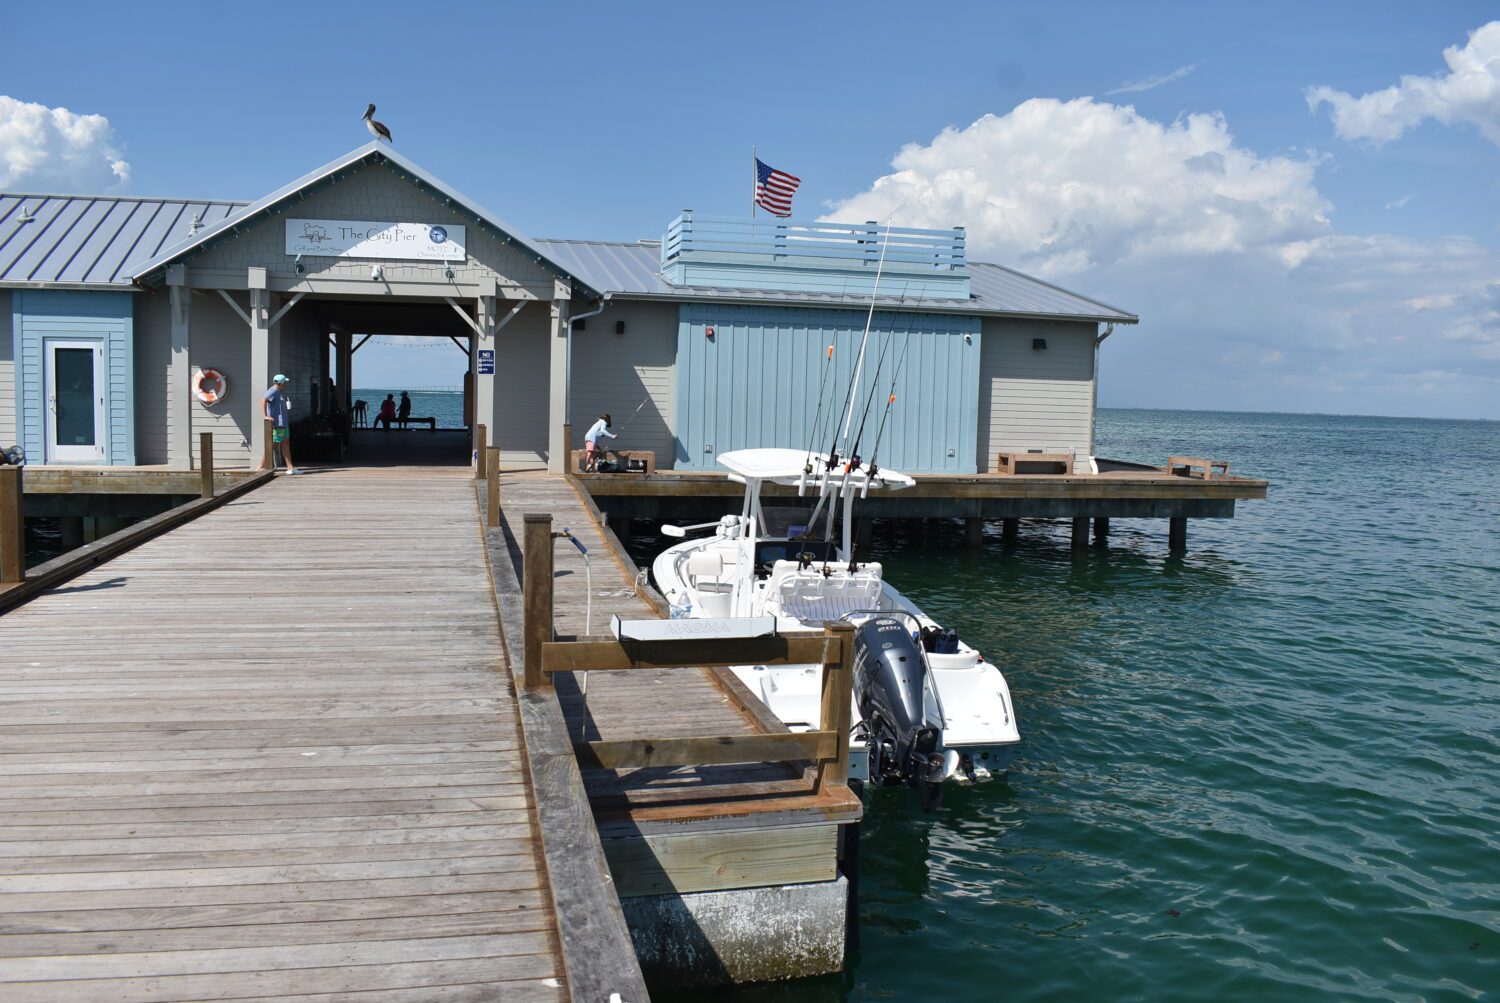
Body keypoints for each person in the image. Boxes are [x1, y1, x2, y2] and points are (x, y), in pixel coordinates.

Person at [260, 374, 299, 474]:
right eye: (284, 382)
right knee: (273, 445)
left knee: (285, 443)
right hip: (278, 423)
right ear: (281, 383)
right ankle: (260, 467)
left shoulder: (278, 392)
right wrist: (265, 415)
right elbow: (263, 400)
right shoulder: (272, 391)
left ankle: (290, 468)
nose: (285, 384)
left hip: (283, 423)